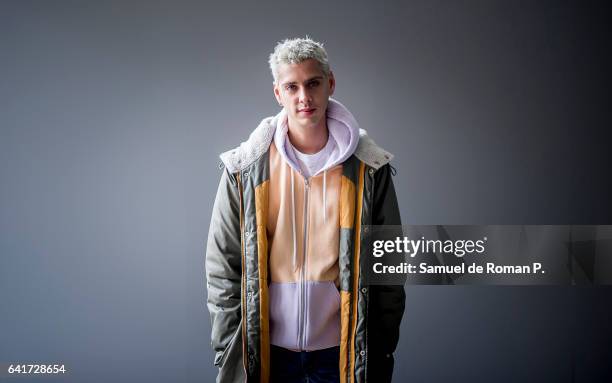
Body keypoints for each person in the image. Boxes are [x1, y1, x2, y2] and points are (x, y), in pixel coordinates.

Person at [206, 37, 405, 383]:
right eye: (292, 86)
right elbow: (223, 267)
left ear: (330, 83)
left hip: (341, 355)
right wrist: (229, 347)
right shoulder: (244, 170)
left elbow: (388, 266)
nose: (304, 97)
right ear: (277, 94)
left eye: (313, 83)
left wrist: (381, 347)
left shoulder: (369, 168)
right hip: (266, 355)